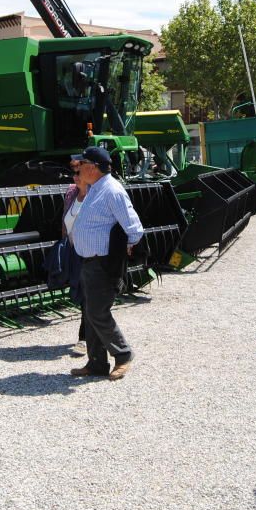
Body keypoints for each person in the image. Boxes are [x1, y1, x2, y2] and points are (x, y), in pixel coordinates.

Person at [67, 146, 144, 380]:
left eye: (81, 165)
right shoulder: (95, 189)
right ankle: (97, 363)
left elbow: (135, 228)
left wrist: (121, 251)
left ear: (92, 168)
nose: (78, 169)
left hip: (103, 263)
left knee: (98, 312)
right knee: (91, 313)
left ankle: (123, 355)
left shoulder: (111, 190)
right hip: (90, 262)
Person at [62, 161, 90, 356]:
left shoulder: (98, 195)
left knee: (88, 298)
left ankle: (84, 339)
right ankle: (96, 336)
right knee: (82, 297)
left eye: (79, 173)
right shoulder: (71, 193)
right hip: (74, 252)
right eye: (74, 173)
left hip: (92, 253)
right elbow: (65, 221)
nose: (76, 177)